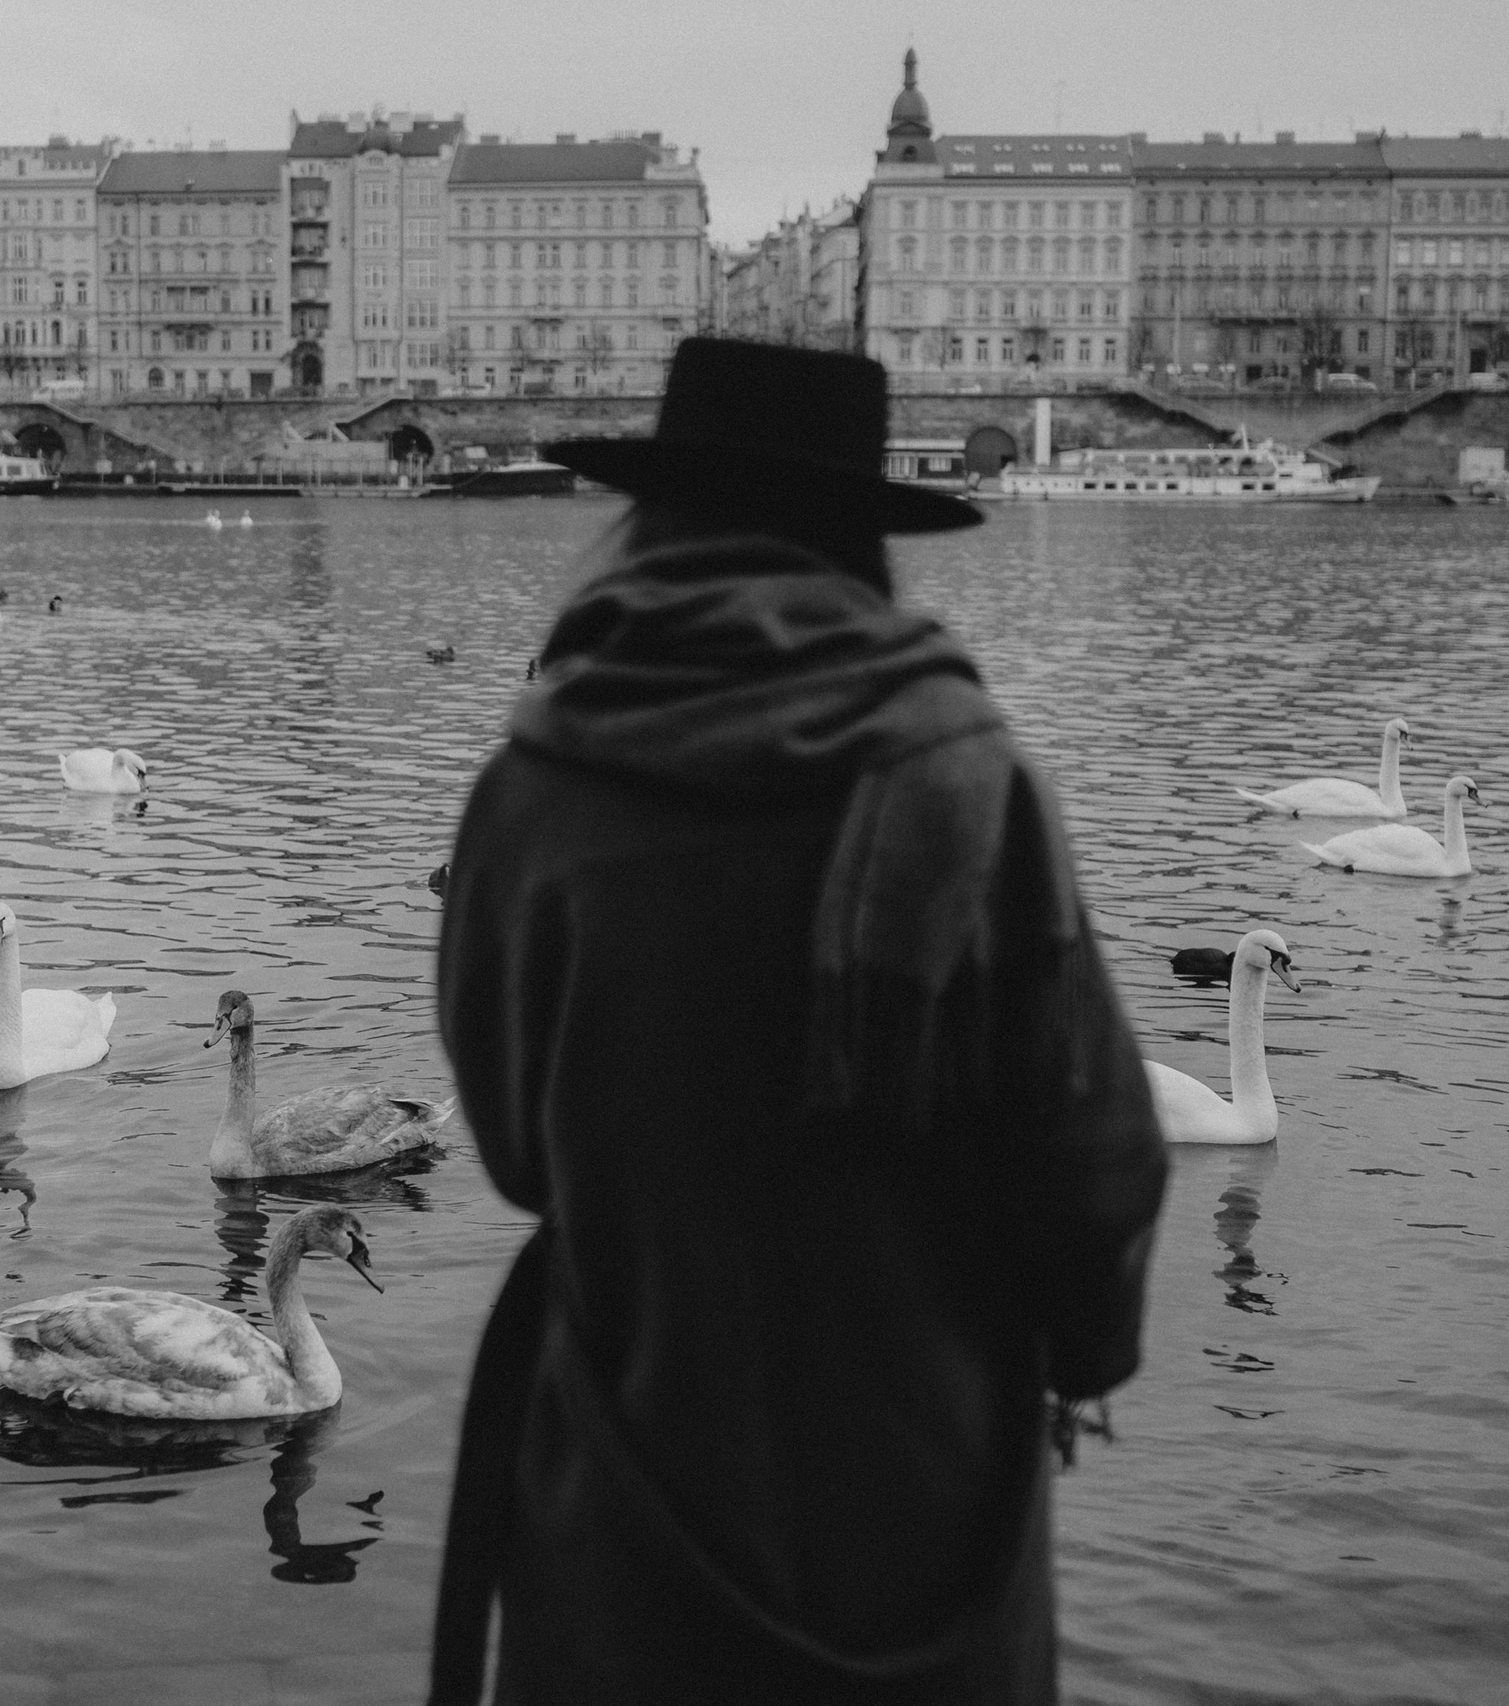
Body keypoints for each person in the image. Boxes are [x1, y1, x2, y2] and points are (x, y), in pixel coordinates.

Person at [429, 338, 1169, 1706]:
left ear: (650, 526)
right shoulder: (967, 781)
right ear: (860, 548)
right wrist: (1077, 1353)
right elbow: (1099, 1160)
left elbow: (521, 1155)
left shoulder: (535, 786)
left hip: (625, 1486)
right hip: (918, 1510)